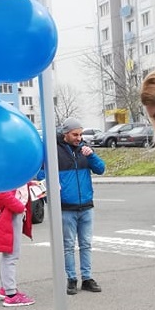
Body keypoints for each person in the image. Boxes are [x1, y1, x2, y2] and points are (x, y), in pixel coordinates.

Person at [56, 117, 106, 295]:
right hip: (66, 207)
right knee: (68, 245)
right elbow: (40, 172)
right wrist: (53, 184)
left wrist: (91, 155)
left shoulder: (84, 150)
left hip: (86, 206)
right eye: (75, 134)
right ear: (65, 134)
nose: (78, 138)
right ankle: (71, 278)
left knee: (85, 244)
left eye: (80, 134)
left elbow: (101, 169)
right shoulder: (55, 151)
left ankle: (87, 278)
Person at [0, 185, 34, 307]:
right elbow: (1, 192)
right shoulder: (6, 173)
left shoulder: (8, 171)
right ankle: (11, 294)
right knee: (11, 256)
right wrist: (20, 207)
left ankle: (6, 288)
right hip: (10, 213)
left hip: (10, 212)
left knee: (8, 254)